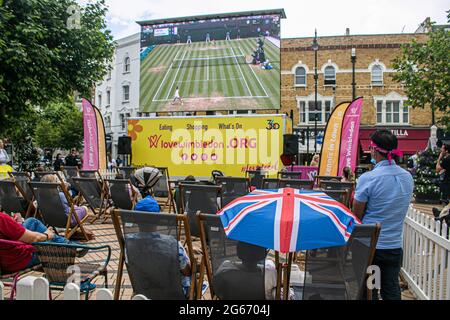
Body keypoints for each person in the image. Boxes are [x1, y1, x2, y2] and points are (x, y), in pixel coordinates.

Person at [353, 129, 414, 300]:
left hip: (370, 246)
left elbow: (357, 214)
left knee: (369, 291)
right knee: (391, 289)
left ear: (374, 150)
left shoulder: (368, 178)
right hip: (394, 245)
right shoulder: (407, 177)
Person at [0, 211, 69, 273]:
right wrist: (47, 235)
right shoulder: (2, 218)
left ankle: (64, 243)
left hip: (4, 262)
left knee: (31, 222)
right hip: (20, 259)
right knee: (43, 238)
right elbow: (34, 238)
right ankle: (69, 246)